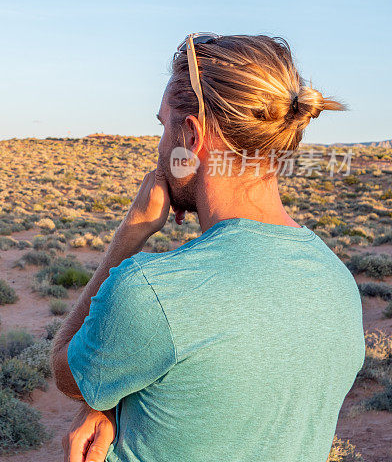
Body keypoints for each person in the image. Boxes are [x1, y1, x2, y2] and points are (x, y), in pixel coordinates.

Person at [51, 34, 366, 462]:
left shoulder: (151, 292)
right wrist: (114, 405)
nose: (161, 147)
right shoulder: (337, 282)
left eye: (163, 127)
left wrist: (131, 234)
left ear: (192, 136)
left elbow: (68, 372)